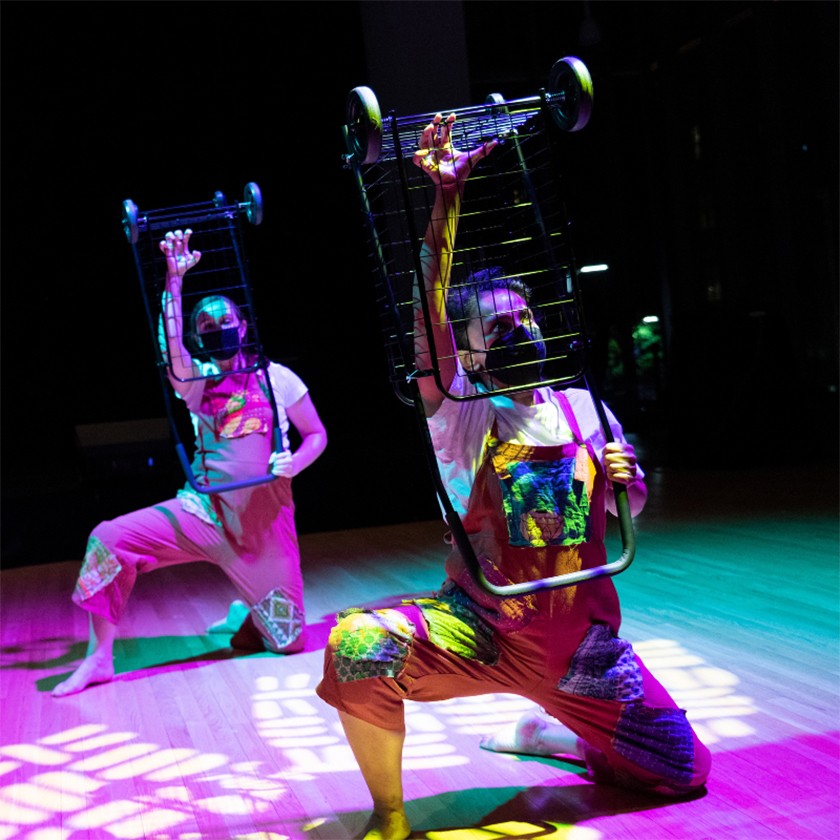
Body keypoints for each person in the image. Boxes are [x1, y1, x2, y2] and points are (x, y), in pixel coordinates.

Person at [315, 114, 710, 839]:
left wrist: (630, 481)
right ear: (469, 358)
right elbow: (428, 322)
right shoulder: (464, 417)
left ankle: (555, 736)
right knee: (357, 646)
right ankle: (391, 817)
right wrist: (445, 201)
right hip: (479, 631)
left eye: (522, 317)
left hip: (581, 648)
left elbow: (629, 511)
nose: (518, 330)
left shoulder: (586, 407)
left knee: (685, 772)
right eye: (495, 329)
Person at [53, 229, 327, 697]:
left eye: (225, 320)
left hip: (264, 526)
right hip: (202, 514)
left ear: (243, 326)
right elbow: (173, 355)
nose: (216, 328)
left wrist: (295, 463)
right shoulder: (196, 382)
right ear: (199, 338)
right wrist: (174, 284)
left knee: (290, 643)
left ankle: (249, 608)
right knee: (109, 538)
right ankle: (98, 658)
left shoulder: (276, 377)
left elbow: (317, 435)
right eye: (205, 326)